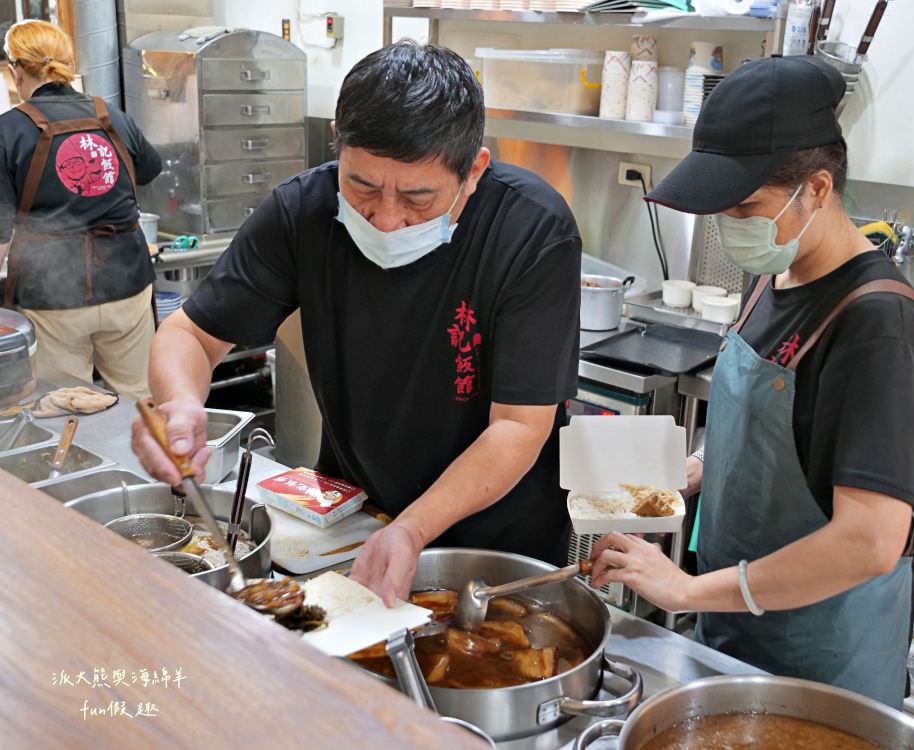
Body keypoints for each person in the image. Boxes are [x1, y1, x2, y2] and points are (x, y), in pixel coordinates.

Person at [131, 42, 582, 604]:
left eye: (418, 197)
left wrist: (414, 528)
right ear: (338, 149)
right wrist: (179, 405)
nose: (388, 219)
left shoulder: (531, 231)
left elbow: (518, 426)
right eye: (363, 186)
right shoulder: (304, 212)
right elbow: (191, 334)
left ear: (474, 172)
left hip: (494, 539)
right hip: (353, 516)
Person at [589, 55, 914, 708]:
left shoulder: (878, 326)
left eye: (746, 206)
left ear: (817, 188)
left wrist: (687, 590)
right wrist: (689, 469)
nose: (732, 225)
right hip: (738, 636)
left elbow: (869, 541)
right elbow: (764, 435)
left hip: (822, 669)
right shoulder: (775, 275)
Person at [0, 20, 162, 400]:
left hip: (54, 297)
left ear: (16, 70)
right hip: (126, 285)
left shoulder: (7, 131)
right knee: (142, 403)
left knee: (67, 406)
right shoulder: (113, 117)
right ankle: (147, 461)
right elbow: (150, 169)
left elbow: (0, 234)